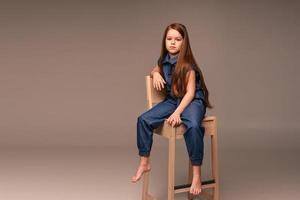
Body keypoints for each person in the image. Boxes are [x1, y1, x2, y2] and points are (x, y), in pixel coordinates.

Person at [131, 23, 213, 196]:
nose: (173, 43)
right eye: (169, 39)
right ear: (165, 41)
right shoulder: (164, 60)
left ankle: (196, 175)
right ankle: (144, 161)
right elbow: (156, 67)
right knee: (143, 120)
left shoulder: (188, 65)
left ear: (184, 42)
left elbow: (190, 93)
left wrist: (177, 113)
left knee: (193, 126)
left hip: (192, 101)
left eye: (177, 39)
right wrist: (156, 73)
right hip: (173, 100)